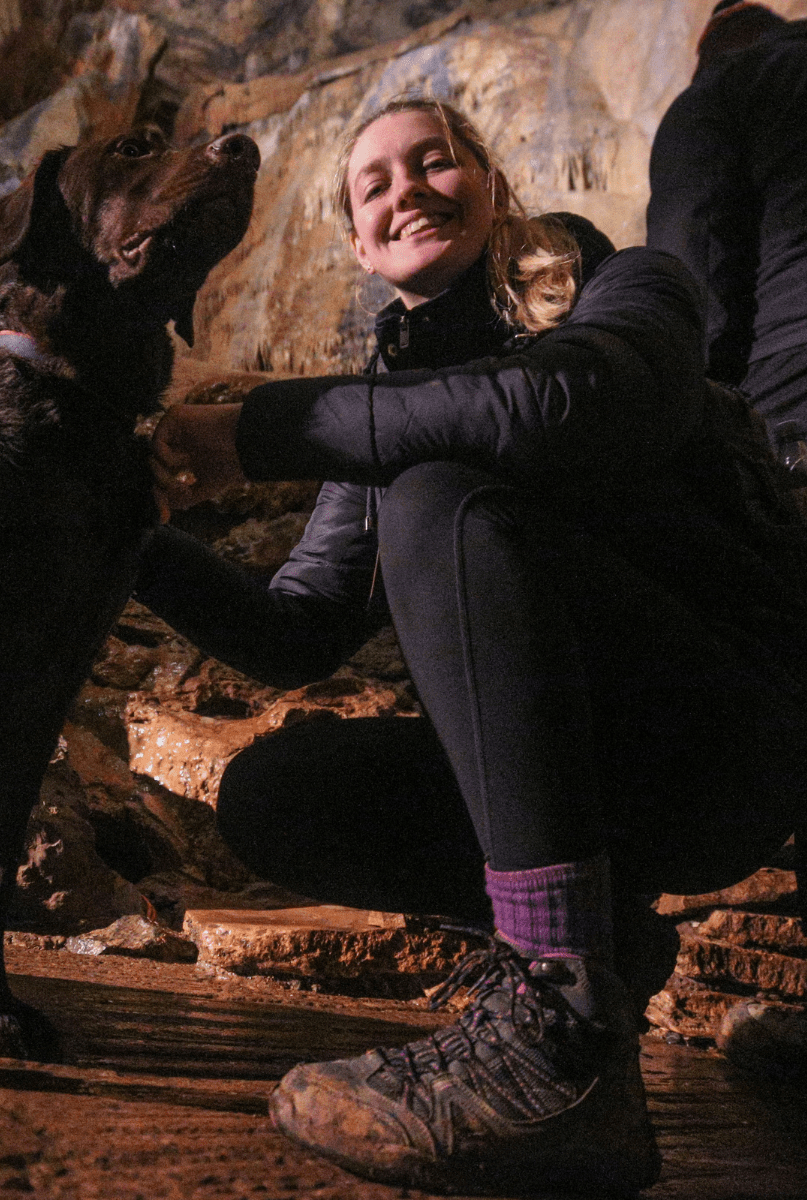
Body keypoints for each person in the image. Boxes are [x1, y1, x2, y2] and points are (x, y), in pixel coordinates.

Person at [135, 94, 807, 1194]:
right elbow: (298, 631)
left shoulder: (630, 288)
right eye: (374, 186)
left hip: (729, 741)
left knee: (440, 499)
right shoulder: (385, 411)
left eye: (434, 164)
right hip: (576, 773)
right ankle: (597, 948)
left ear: (492, 187)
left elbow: (562, 404)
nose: (406, 192)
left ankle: (558, 1028)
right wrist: (126, 531)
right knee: (280, 793)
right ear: (360, 246)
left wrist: (257, 430)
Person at [647, 1, 807, 460]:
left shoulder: (719, 91)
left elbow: (693, 253)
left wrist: (689, 395)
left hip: (790, 369)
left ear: (713, 46)